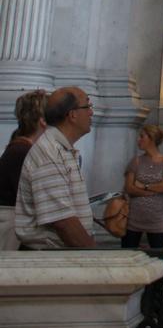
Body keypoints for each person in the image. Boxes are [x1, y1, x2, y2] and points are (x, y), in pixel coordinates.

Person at [15, 86, 95, 249]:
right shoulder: (49, 153)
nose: (91, 113)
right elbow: (63, 222)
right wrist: (95, 259)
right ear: (72, 115)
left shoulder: (62, 149)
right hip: (50, 259)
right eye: (87, 106)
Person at [0, 89, 47, 249]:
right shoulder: (22, 151)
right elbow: (34, 200)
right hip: (13, 233)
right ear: (43, 121)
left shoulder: (24, 148)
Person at [121, 124, 163, 249]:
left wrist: (143, 186)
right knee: (128, 257)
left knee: (160, 259)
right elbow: (129, 188)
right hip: (133, 220)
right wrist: (154, 190)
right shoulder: (136, 161)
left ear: (152, 138)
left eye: (141, 136)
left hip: (156, 221)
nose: (138, 140)